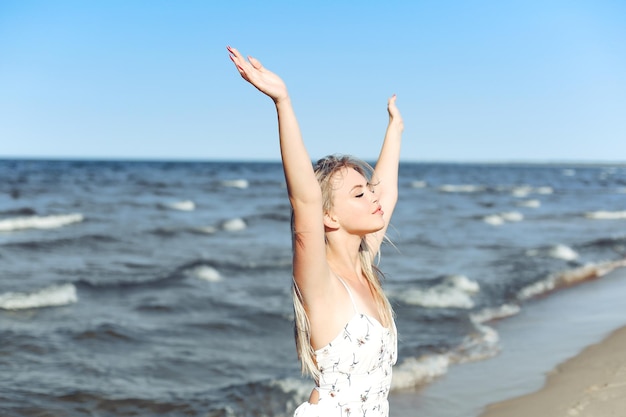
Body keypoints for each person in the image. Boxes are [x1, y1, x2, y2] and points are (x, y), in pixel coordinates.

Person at [227, 46, 404, 417]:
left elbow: (386, 191)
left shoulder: (363, 267)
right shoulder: (321, 284)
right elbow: (305, 201)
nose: (373, 198)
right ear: (330, 218)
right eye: (359, 193)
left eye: (368, 189)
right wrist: (283, 102)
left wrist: (395, 129)